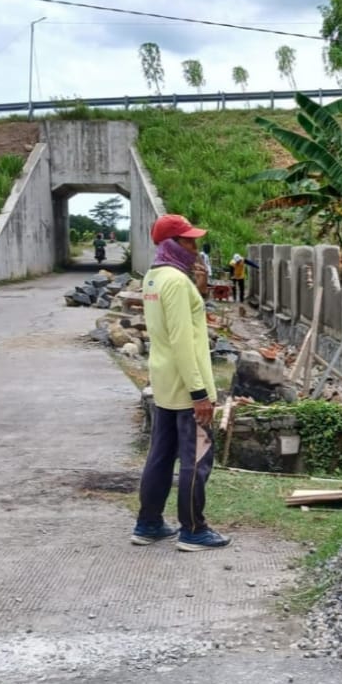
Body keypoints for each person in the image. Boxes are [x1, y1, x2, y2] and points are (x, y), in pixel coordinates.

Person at [132, 214, 231, 552]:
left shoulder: (154, 277)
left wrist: (198, 292)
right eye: (189, 241)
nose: (195, 247)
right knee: (196, 458)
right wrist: (200, 393)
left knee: (160, 455)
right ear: (172, 244)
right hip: (187, 385)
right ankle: (193, 529)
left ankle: (149, 523)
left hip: (164, 382)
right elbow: (182, 342)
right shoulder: (175, 281)